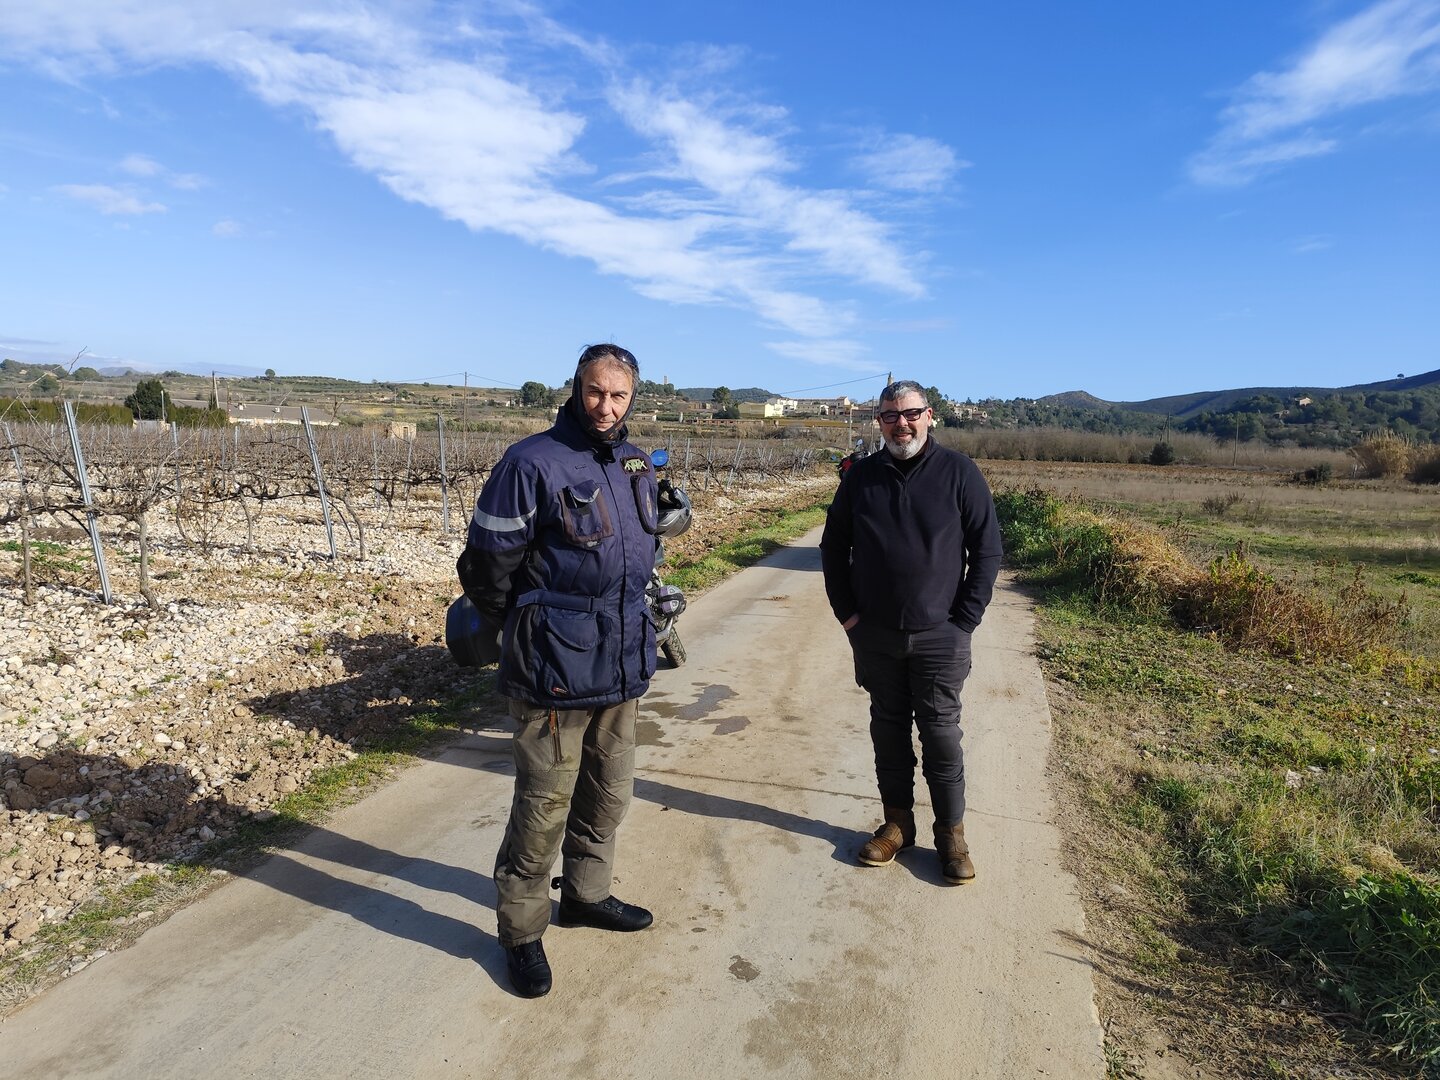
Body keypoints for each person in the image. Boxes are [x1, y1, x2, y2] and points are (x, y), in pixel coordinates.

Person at [456, 343, 662, 998]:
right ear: (576, 389)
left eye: (619, 395)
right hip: (556, 667)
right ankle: (520, 932)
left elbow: (641, 553)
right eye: (596, 392)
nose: (607, 406)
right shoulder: (530, 462)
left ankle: (586, 895)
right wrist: (527, 627)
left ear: (634, 397)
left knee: (610, 791)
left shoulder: (633, 461)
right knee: (543, 805)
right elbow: (486, 567)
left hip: (623, 659)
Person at [819, 380, 1003, 884]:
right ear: (878, 423)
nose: (901, 424)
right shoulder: (860, 478)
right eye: (890, 416)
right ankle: (898, 824)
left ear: (930, 416)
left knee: (941, 735)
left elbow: (987, 551)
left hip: (941, 635)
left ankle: (952, 836)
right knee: (888, 731)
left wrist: (965, 619)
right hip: (876, 634)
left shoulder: (959, 473)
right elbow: (833, 548)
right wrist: (849, 616)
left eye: (910, 414)